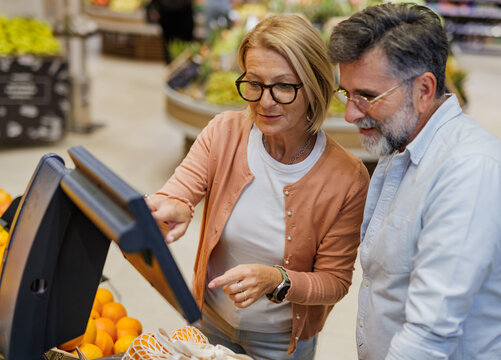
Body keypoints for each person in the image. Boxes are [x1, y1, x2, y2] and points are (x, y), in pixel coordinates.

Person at [146, 13, 370, 360]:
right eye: (254, 83)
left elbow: (334, 282)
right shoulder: (225, 132)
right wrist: (174, 204)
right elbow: (178, 190)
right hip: (209, 321)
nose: (265, 101)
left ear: (313, 87)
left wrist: (278, 279)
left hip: (281, 342)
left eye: (283, 86)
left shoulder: (347, 178)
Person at [327, 3, 501, 359]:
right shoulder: (402, 145)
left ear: (423, 90)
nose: (350, 113)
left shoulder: (470, 173)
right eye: (347, 93)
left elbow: (429, 335)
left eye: (367, 96)